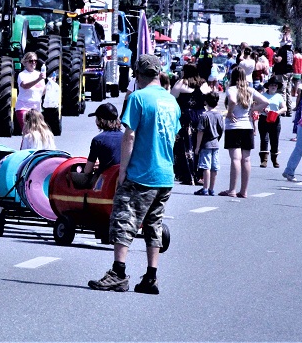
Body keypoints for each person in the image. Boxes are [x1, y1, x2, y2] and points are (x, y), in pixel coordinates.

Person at [88, 55, 181, 295]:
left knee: (123, 219)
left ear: (138, 75)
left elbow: (129, 135)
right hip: (165, 174)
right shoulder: (172, 102)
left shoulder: (137, 98)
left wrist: (123, 172)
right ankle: (151, 276)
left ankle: (118, 273)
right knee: (153, 225)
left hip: (141, 172)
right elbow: (174, 136)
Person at [219, 67, 270, 198]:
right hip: (247, 126)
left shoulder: (231, 89)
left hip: (234, 126)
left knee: (235, 159)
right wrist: (254, 109)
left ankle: (232, 190)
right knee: (246, 159)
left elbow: (233, 100)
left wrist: (230, 112)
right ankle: (244, 191)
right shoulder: (250, 90)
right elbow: (265, 101)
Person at [170, 63, 212, 185]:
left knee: (185, 145)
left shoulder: (181, 83)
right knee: (199, 145)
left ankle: (186, 173)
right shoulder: (203, 83)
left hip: (186, 117)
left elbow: (172, 98)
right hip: (200, 116)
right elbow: (210, 97)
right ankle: (199, 174)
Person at [82, 102, 122, 182]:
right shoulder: (125, 137)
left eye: (97, 118)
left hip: (105, 181)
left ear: (102, 120)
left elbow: (87, 170)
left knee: (70, 177)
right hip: (121, 177)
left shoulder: (97, 140)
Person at [194, 91, 224, 196]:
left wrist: (197, 147)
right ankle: (212, 188)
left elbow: (200, 132)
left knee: (206, 166)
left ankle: (205, 188)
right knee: (214, 167)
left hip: (206, 144)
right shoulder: (219, 115)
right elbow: (221, 130)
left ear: (206, 102)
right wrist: (217, 139)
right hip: (215, 143)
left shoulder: (204, 116)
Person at [14, 52, 46, 132]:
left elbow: (42, 92)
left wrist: (50, 84)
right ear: (25, 62)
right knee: (28, 132)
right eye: (31, 61)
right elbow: (25, 86)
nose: (34, 63)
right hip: (23, 107)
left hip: (36, 109)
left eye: (35, 61)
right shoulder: (22, 74)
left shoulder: (39, 74)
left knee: (37, 134)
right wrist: (38, 79)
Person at [258, 76, 285, 168]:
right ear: (268, 86)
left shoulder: (279, 96)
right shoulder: (263, 96)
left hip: (275, 119)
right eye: (272, 85)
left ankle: (274, 159)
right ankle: (264, 160)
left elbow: (284, 108)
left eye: (275, 85)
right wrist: (263, 109)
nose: (273, 87)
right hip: (264, 118)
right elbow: (257, 106)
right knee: (264, 139)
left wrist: (277, 112)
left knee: (274, 140)